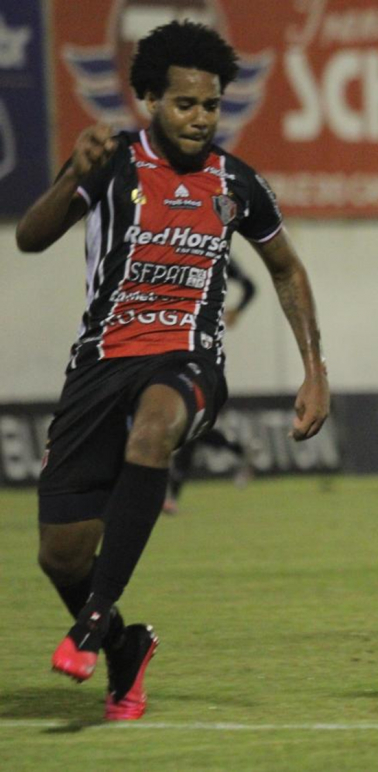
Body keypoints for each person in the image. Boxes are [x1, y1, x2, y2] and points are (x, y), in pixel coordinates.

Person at [15, 21, 329, 720]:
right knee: (61, 556)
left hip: (189, 360)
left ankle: (94, 621)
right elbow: (30, 238)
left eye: (211, 105)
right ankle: (125, 646)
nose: (201, 118)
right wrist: (73, 174)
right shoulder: (110, 162)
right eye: (186, 104)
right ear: (151, 100)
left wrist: (315, 368)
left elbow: (287, 270)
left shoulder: (236, 183)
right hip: (99, 368)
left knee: (154, 429)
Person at [163, 258, 257, 515]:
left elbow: (250, 287)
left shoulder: (213, 253)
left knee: (190, 418)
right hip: (170, 344)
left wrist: (237, 311)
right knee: (191, 423)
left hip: (199, 350)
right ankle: (239, 450)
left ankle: (171, 494)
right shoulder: (171, 251)